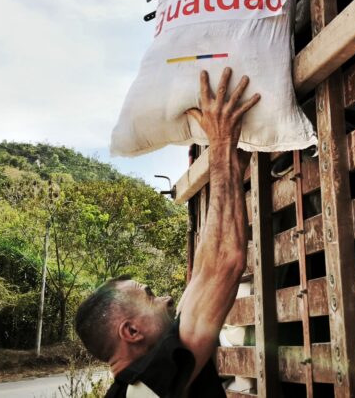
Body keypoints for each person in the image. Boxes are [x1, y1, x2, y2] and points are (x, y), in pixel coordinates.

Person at [76, 68, 259, 397]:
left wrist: (230, 161)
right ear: (131, 331)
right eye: (149, 295)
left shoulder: (142, 380)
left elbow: (204, 272)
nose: (167, 298)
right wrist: (219, 144)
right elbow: (224, 264)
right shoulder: (146, 389)